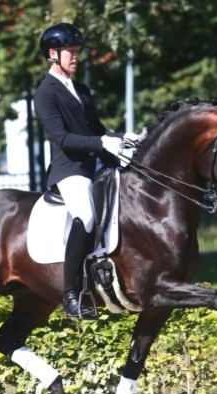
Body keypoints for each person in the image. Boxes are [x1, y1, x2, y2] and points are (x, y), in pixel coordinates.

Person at [33, 22, 138, 319]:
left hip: (95, 163)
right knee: (86, 214)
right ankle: (71, 294)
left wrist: (124, 138)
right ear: (53, 54)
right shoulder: (45, 94)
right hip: (70, 170)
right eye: (71, 52)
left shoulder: (81, 89)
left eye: (78, 51)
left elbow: (97, 131)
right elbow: (62, 139)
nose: (76, 57)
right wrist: (102, 141)